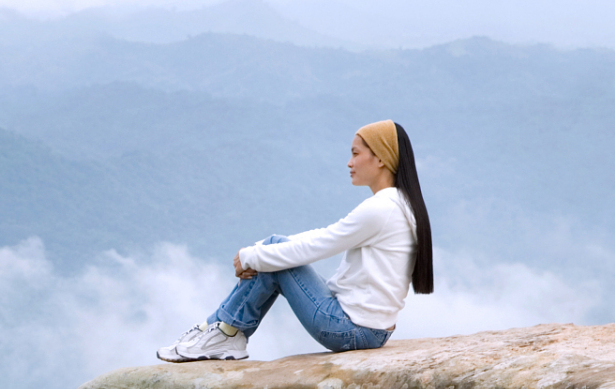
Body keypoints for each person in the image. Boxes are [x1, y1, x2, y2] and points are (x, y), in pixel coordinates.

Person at [157, 121, 433, 362]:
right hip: (371, 330)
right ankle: (220, 330)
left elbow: (320, 245)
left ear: (381, 158)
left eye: (355, 154)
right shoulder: (399, 204)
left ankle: (223, 332)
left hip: (350, 330)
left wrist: (254, 256)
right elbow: (325, 234)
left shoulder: (381, 209)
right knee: (275, 248)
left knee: (277, 257)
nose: (349, 163)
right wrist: (260, 250)